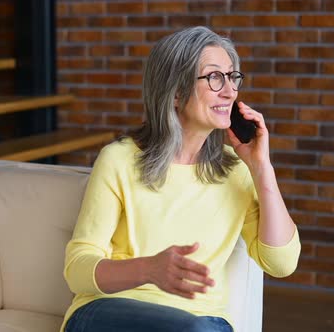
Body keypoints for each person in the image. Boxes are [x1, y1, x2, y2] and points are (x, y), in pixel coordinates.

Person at [61, 26, 300, 332]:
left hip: (203, 322)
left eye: (232, 77)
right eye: (215, 77)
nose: (229, 91)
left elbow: (281, 263)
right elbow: (77, 270)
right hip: (107, 314)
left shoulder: (236, 171)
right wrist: (149, 269)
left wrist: (262, 168)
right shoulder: (119, 159)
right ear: (175, 92)